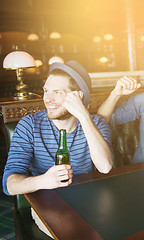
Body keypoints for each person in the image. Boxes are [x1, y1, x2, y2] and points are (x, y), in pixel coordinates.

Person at [2, 60, 113, 196]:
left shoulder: (97, 124)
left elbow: (105, 167)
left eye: (57, 92)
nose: (48, 99)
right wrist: (43, 181)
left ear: (77, 96)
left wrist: (84, 116)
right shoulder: (29, 125)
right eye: (46, 91)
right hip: (47, 204)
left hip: (88, 197)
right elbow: (9, 185)